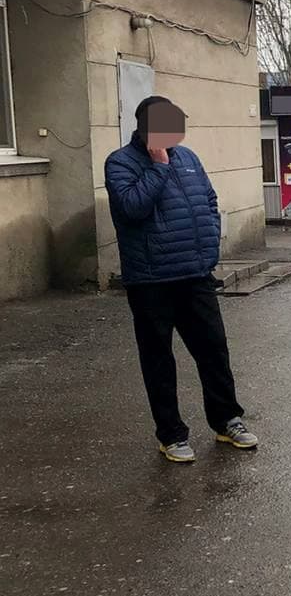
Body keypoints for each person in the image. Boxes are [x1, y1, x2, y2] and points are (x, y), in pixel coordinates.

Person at [105, 96, 258, 463]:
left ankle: (226, 420)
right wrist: (158, 167)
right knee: (159, 360)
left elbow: (208, 201)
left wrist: (210, 248)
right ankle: (171, 435)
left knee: (214, 350)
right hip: (151, 281)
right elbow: (131, 208)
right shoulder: (120, 163)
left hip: (195, 274)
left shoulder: (188, 158)